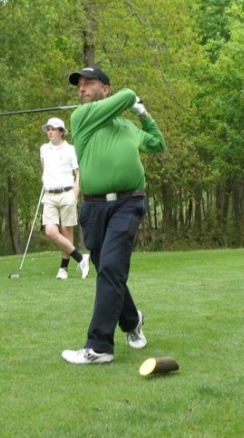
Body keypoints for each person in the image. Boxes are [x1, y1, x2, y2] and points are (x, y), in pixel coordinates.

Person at [61, 67, 166, 364]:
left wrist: (143, 116)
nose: (81, 88)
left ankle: (99, 346)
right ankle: (132, 321)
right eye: (79, 85)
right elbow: (130, 94)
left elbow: (158, 144)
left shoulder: (128, 128)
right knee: (106, 267)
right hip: (93, 208)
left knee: (111, 266)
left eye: (89, 83)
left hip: (128, 203)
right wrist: (133, 101)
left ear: (106, 89)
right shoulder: (81, 118)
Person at [40, 117, 90, 280]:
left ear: (61, 132)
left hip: (67, 193)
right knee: (50, 231)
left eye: (53, 129)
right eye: (48, 129)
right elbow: (44, 169)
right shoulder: (43, 149)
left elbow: (79, 174)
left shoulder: (70, 149)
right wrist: (44, 179)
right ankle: (81, 258)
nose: (50, 132)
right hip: (49, 195)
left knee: (66, 231)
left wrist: (74, 195)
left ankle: (63, 269)